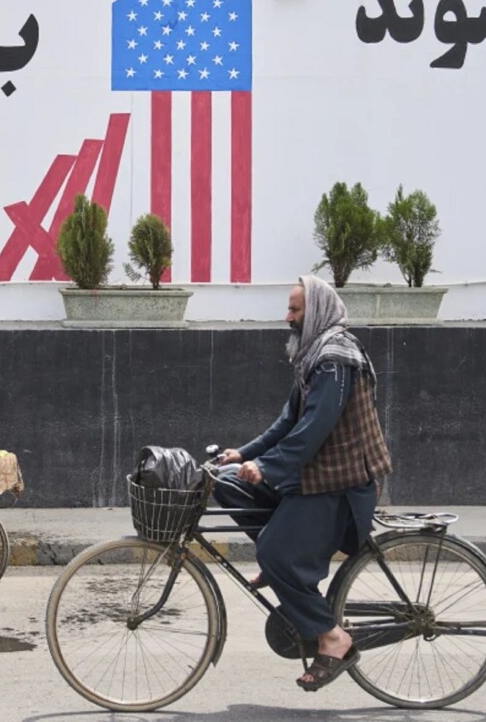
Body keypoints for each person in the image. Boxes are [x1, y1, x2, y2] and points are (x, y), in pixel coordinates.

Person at [214, 274, 392, 692]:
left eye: (295, 310)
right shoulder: (314, 355)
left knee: (274, 550)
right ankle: (287, 567)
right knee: (227, 482)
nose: (288, 317)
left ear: (317, 313)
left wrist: (267, 466)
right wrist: (244, 454)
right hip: (314, 476)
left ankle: (333, 639)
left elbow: (314, 429)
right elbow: (287, 422)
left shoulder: (335, 359)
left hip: (340, 484)